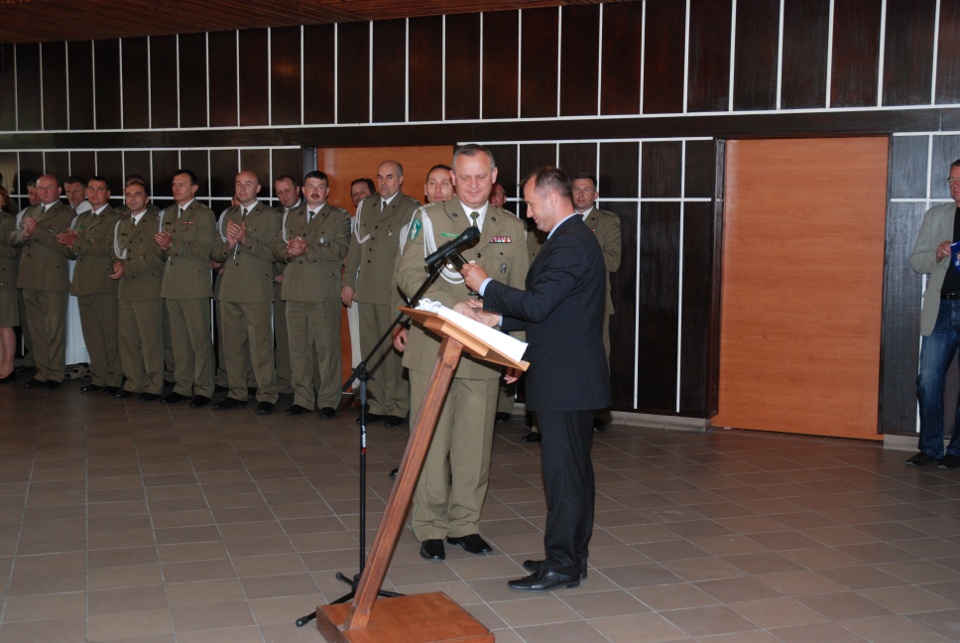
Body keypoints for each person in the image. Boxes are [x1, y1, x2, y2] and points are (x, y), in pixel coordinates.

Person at [460, 166, 611, 591]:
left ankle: (563, 565)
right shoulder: (569, 238)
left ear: (551, 198)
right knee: (572, 474)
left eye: (529, 203)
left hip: (566, 379)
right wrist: (499, 318)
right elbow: (556, 310)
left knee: (564, 477)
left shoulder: (569, 243)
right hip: (569, 376)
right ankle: (570, 557)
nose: (528, 213)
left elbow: (540, 305)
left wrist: (485, 284)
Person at [395, 144, 529, 561]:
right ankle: (430, 526)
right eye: (465, 177)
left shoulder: (512, 226)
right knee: (431, 442)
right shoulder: (428, 218)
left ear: (494, 177)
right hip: (434, 346)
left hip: (484, 352)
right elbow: (408, 275)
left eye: (480, 177)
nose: (473, 185)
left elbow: (520, 292)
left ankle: (465, 524)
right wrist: (451, 303)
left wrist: (516, 352)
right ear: (452, 179)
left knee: (475, 446)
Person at [341, 161, 420, 425]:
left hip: (393, 290)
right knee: (371, 350)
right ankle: (376, 403)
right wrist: (348, 282)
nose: (384, 182)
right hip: (367, 289)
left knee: (394, 350)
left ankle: (397, 406)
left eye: (389, 177)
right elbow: (356, 248)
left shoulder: (411, 208)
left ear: (400, 179)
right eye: (380, 177)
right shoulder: (366, 205)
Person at [274, 171, 351, 417]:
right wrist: (287, 251)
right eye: (310, 186)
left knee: (327, 349)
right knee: (298, 349)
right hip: (294, 290)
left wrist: (307, 249)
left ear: (327, 191)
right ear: (303, 190)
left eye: (320, 187)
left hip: (322, 291)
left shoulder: (339, 217)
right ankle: (302, 398)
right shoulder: (291, 215)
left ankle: (328, 400)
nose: (315, 191)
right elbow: (277, 245)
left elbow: (340, 249)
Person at [212, 171, 281, 414]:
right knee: (231, 346)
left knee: (261, 346)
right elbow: (215, 252)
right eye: (239, 184)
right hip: (229, 288)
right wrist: (228, 245)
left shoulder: (271, 216)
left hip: (256, 288)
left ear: (258, 188)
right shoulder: (227, 215)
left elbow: (275, 253)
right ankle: (237, 392)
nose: (242, 188)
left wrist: (245, 239)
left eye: (248, 184)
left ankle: (267, 394)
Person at [909, 158, 960, 469]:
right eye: (952, 180)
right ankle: (930, 448)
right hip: (940, 308)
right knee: (928, 381)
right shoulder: (936, 216)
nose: (956, 186)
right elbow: (916, 261)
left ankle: (957, 451)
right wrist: (937, 255)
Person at [155, 169, 217, 408]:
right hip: (172, 284)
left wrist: (172, 244)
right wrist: (163, 247)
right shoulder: (168, 213)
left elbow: (203, 249)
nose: (176, 188)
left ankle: (203, 388)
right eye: (174, 184)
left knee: (199, 340)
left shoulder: (204, 214)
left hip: (193, 285)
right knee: (178, 341)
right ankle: (182, 385)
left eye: (182, 184)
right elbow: (161, 250)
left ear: (194, 188)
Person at [56, 176, 123, 394]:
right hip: (84, 282)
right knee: (92, 335)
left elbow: (106, 247)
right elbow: (71, 253)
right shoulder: (81, 218)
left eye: (100, 189)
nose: (94, 193)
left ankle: (114, 378)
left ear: (108, 194)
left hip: (104, 283)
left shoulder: (115, 218)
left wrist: (76, 242)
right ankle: (99, 377)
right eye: (91, 189)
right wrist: (69, 244)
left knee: (110, 334)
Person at [11, 174, 76, 388]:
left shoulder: (67, 213)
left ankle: (55, 373)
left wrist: (36, 232)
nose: (44, 192)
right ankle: (42, 371)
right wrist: (25, 236)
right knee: (36, 330)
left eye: (49, 188)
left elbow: (65, 245)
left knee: (53, 329)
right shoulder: (30, 211)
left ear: (59, 191)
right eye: (41, 188)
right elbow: (13, 238)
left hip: (52, 279)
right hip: (29, 277)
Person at [110, 180, 165, 401]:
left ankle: (153, 385)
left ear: (147, 199)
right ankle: (133, 382)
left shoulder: (156, 223)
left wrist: (128, 268)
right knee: (128, 339)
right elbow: (115, 251)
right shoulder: (121, 224)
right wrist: (116, 264)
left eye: (137, 194)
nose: (132, 199)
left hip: (147, 287)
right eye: (128, 195)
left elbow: (156, 254)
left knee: (150, 340)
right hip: (126, 288)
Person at [272, 175, 303, 396]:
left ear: (298, 190)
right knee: (282, 338)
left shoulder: (309, 213)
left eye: (287, 190)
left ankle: (307, 386)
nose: (284, 195)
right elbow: (270, 246)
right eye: (279, 192)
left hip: (303, 284)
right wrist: (276, 274)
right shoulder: (274, 215)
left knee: (305, 339)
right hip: (279, 284)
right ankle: (284, 383)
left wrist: (290, 272)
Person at [0, 186, 18, 383]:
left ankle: (8, 366)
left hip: (4, 278)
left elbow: (13, 251)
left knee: (5, 324)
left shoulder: (8, 220)